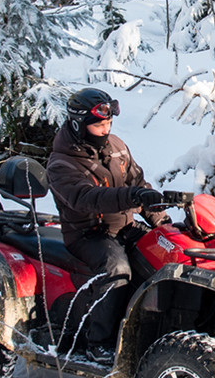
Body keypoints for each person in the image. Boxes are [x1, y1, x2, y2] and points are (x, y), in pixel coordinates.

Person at [44, 87, 186, 359]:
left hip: (125, 228)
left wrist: (162, 224)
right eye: (99, 124)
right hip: (88, 235)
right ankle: (99, 342)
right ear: (78, 124)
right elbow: (86, 198)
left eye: (109, 123)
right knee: (117, 269)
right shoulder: (61, 163)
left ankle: (159, 326)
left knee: (169, 251)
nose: (106, 129)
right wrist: (132, 196)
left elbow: (137, 183)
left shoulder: (117, 147)